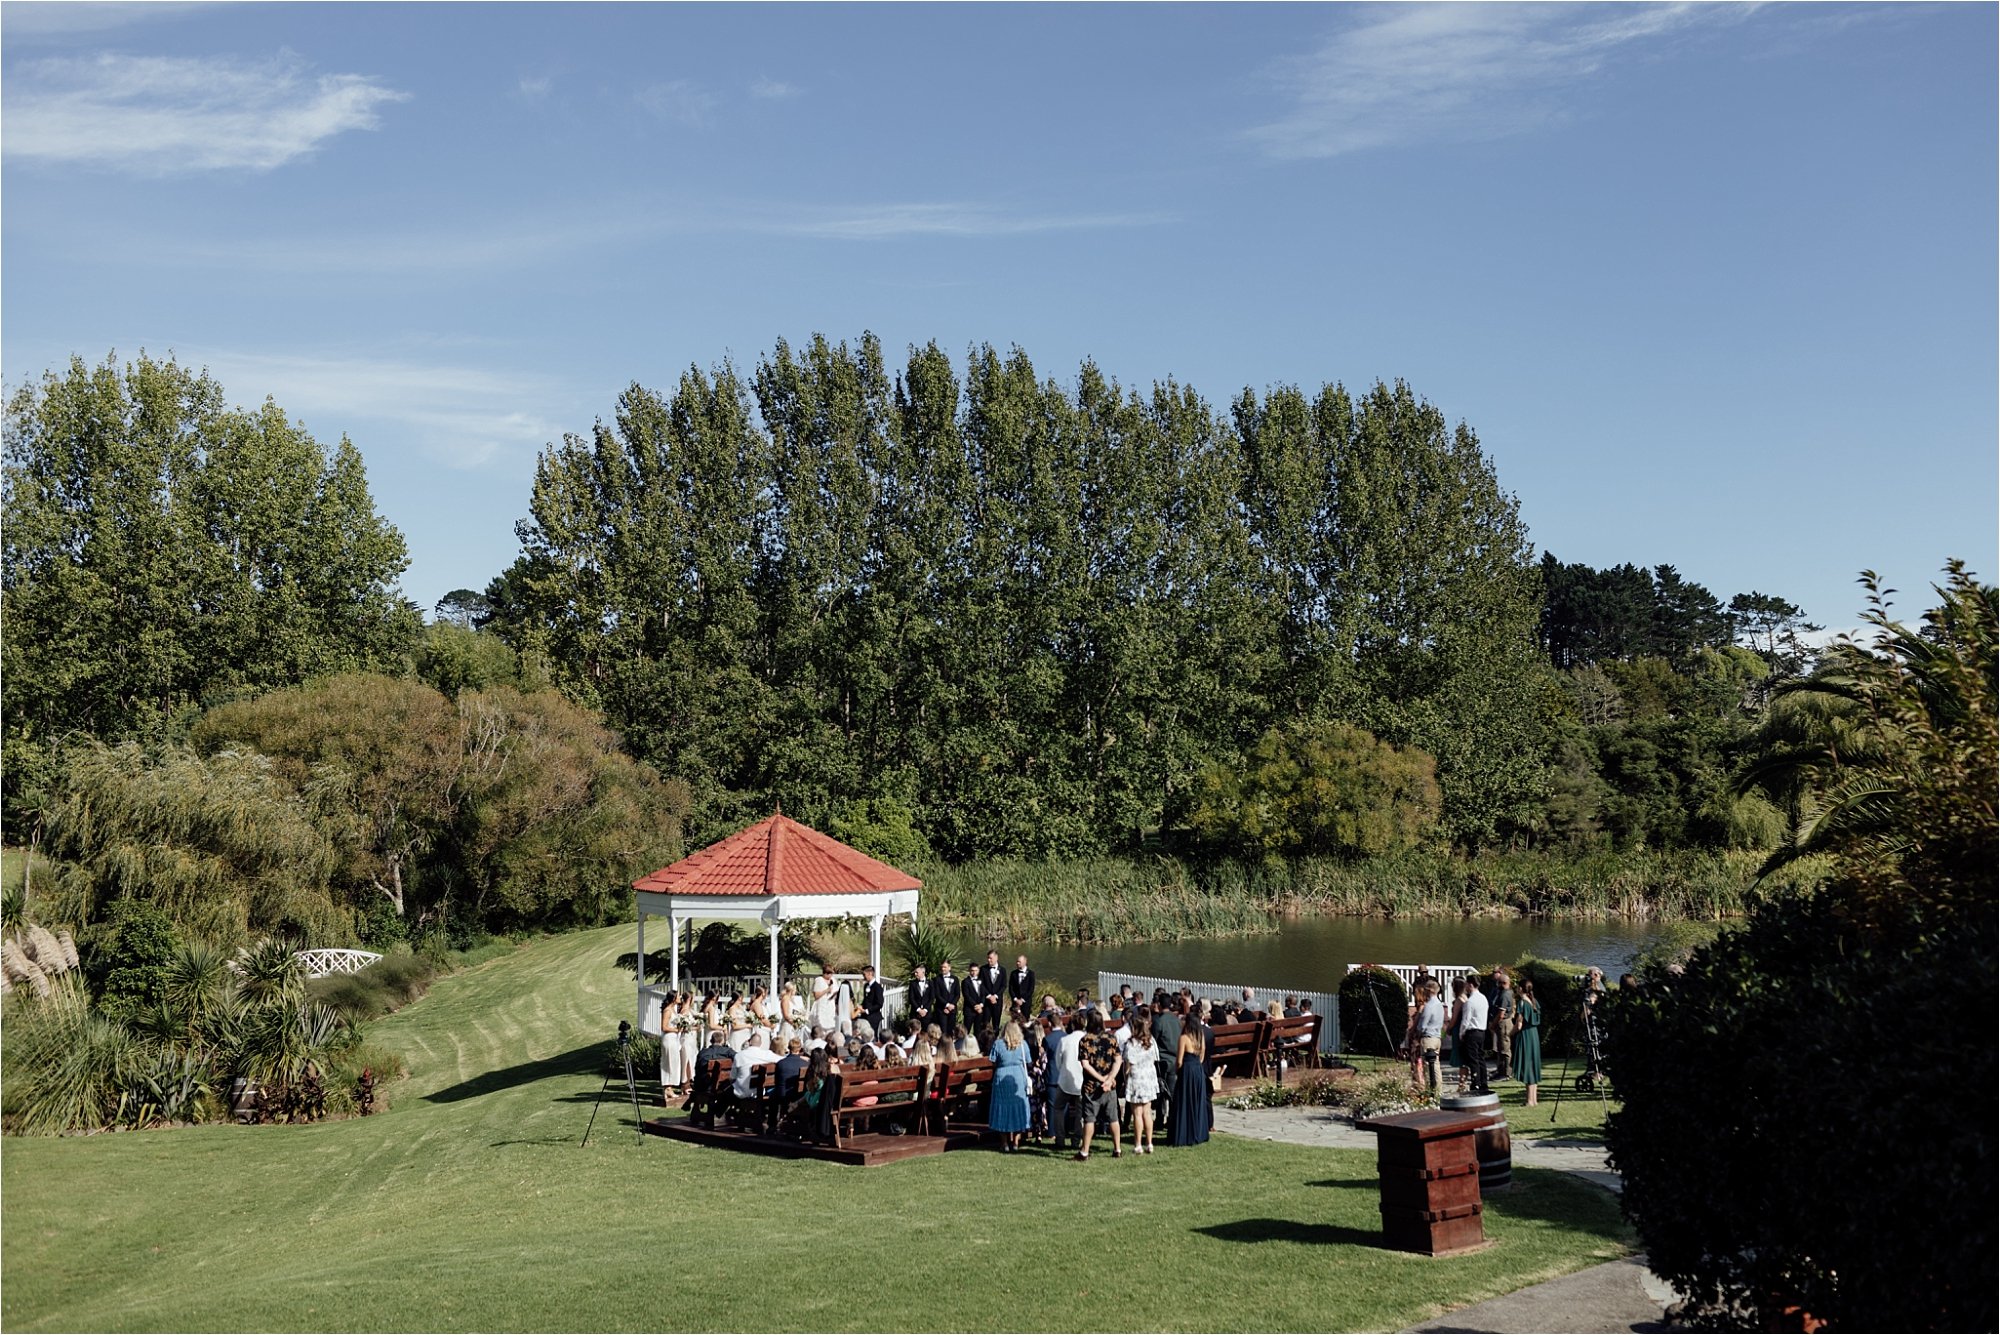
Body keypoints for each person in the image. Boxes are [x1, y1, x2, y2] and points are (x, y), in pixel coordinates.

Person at [1075, 1011, 1123, 1160]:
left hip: (1091, 1086)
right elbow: (1118, 1060)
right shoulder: (1111, 1038)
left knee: (1090, 1119)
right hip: (1110, 1086)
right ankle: (1117, 1149)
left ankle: (1085, 1151)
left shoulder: (1085, 1040)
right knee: (1113, 1118)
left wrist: (1101, 1079)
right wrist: (1110, 1079)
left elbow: (1085, 1064)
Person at [1167, 1007, 1211, 1147]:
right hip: (1197, 1069)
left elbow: (1179, 1060)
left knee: (1185, 1100)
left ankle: (1184, 1133)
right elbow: (1202, 1056)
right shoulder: (1200, 1037)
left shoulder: (1184, 1038)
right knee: (1197, 1100)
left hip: (1187, 1070)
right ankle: (1199, 1131)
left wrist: (1178, 1070)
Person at [988, 1020, 1033, 1152]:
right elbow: (1029, 1061)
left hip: (1002, 1076)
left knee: (1002, 1107)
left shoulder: (998, 1044)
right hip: (1018, 1076)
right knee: (1018, 1107)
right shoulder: (1023, 1044)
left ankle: (1004, 1143)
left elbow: (992, 1061)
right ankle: (1016, 1142)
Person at [1121, 1013, 1160, 1154]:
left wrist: (1125, 1079)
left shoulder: (1131, 1044)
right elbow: (1155, 1059)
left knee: (1137, 1114)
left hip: (1136, 1078)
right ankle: (1149, 1143)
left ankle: (1138, 1144)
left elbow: (1128, 1065)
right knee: (1147, 1113)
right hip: (1149, 1078)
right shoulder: (1151, 1041)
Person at [1054, 1012, 1086, 1152]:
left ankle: (1060, 1138)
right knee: (1081, 1112)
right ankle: (1077, 1139)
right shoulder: (1087, 1039)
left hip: (1065, 1079)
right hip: (1082, 1080)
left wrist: (1062, 1071)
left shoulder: (1065, 1040)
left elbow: (1058, 1060)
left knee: (1058, 1108)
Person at [1150, 998, 1182, 1138]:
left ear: (1159, 1005)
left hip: (1163, 1060)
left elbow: (1154, 1040)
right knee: (1172, 1093)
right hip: (1175, 1059)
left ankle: (1160, 1118)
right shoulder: (1176, 1020)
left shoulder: (1159, 1021)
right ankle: (1172, 1118)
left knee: (1161, 1091)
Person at [1458, 973, 1490, 1096]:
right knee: (1480, 1058)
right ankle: (1483, 1082)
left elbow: (1466, 1020)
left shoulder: (1470, 1002)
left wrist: (1461, 1033)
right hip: (1482, 1030)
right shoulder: (1483, 998)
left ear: (1470, 985)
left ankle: (1475, 1082)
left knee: (1473, 1059)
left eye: (1466, 984)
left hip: (1472, 1031)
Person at [1514, 979, 1544, 1106]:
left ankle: (1529, 1100)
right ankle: (1534, 1099)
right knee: (1533, 1064)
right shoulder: (1534, 1001)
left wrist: (1510, 1033)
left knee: (1527, 1065)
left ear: (1521, 989)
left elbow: (1519, 1024)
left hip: (1526, 1035)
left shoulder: (1522, 1003)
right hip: (1534, 1035)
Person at [1415, 982, 1445, 1094]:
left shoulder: (1429, 1006)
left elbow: (1423, 1025)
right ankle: (1438, 1089)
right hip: (1437, 1037)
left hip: (1428, 1038)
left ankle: (1431, 1089)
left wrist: (1417, 1032)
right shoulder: (1440, 1005)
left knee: (1428, 1066)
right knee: (1436, 1065)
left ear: (1430, 990)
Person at [1490, 968, 1516, 1082]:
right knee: (1500, 1048)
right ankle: (1500, 1071)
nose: (1498, 985)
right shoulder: (1507, 992)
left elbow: (1501, 1013)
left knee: (1505, 1049)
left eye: (1500, 982)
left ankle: (1506, 1073)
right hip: (1503, 1022)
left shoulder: (1505, 995)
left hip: (1504, 1023)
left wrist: (1493, 1024)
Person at [972, 950, 1005, 1030]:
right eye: (988, 958)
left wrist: (995, 996)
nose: (988, 960)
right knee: (985, 1023)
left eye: (991, 958)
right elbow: (981, 984)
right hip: (986, 1001)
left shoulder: (1002, 970)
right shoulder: (983, 969)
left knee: (996, 1024)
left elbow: (1003, 985)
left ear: (996, 958)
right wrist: (989, 996)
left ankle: (995, 1040)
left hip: (997, 1001)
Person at [810, 965, 841, 1034]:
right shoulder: (819, 980)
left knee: (831, 1025)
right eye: (829, 974)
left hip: (830, 1005)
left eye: (831, 974)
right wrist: (826, 990)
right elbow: (816, 995)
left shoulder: (833, 980)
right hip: (821, 1005)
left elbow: (836, 990)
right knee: (820, 1024)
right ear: (825, 973)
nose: (830, 976)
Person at [936, 960, 962, 1038]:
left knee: (951, 1030)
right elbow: (937, 995)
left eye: (945, 967)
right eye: (942, 967)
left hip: (952, 1009)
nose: (943, 969)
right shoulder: (937, 979)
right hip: (942, 1009)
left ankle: (950, 1047)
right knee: (943, 1031)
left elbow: (957, 994)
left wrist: (951, 1005)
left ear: (949, 968)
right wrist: (946, 1005)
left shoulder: (955, 979)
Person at [858, 964, 885, 1036]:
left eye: (864, 974)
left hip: (874, 1017)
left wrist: (867, 1010)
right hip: (865, 1017)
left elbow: (879, 1004)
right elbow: (866, 1000)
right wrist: (861, 1006)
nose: (863, 976)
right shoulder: (866, 986)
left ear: (870, 973)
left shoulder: (877, 987)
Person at [908, 963, 935, 1031]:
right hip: (915, 1013)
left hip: (927, 1013)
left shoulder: (931, 983)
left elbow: (932, 998)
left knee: (926, 1033)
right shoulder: (912, 983)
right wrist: (919, 1010)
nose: (915, 974)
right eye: (915, 972)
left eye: (917, 972)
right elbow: (911, 998)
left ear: (923, 972)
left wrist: (925, 1010)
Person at [1008, 954, 1037, 1019]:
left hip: (1026, 1003)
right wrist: (1015, 999)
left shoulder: (1031, 974)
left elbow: (1031, 989)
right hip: (1015, 1003)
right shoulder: (1013, 973)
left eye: (1019, 962)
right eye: (1017, 961)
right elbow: (1011, 988)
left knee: (1025, 1021)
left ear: (1025, 962)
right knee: (1015, 1020)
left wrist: (1022, 1000)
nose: (1017, 963)